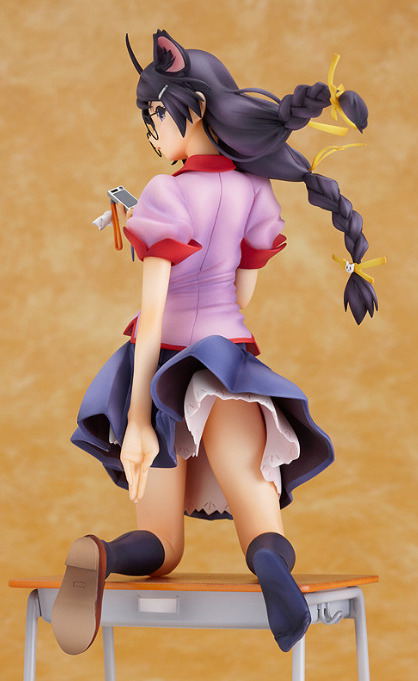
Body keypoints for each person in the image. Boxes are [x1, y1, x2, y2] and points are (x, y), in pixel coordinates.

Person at [51, 29, 385, 656]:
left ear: (194, 108)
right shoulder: (256, 192)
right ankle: (272, 571)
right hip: (227, 365)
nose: (151, 134)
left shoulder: (165, 193)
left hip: (163, 373)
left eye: (154, 116)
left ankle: (102, 555)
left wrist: (139, 417)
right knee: (259, 518)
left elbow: (153, 317)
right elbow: (241, 294)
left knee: (161, 545)